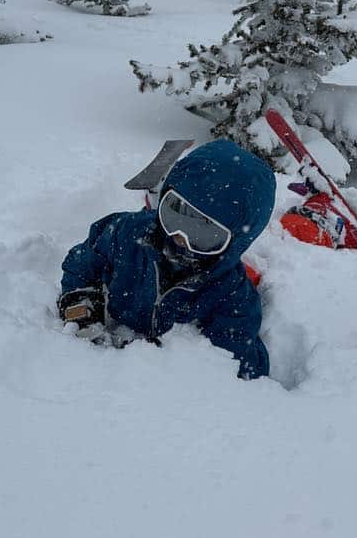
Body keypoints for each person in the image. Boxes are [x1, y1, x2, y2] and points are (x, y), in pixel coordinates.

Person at [58, 140, 276, 379]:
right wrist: (81, 307)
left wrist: (172, 367)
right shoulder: (128, 234)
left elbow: (241, 367)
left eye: (203, 232)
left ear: (235, 244)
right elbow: (84, 261)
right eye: (176, 215)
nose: (180, 238)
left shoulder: (231, 296)